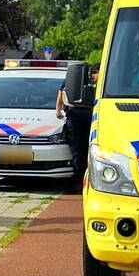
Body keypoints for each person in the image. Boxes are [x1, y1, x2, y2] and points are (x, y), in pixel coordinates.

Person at [57, 63, 99, 191]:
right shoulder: (103, 81)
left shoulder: (71, 79)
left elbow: (60, 95)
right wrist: (58, 110)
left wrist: (58, 111)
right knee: (82, 152)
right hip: (85, 117)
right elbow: (61, 95)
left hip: (78, 118)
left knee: (81, 152)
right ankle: (81, 182)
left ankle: (81, 183)